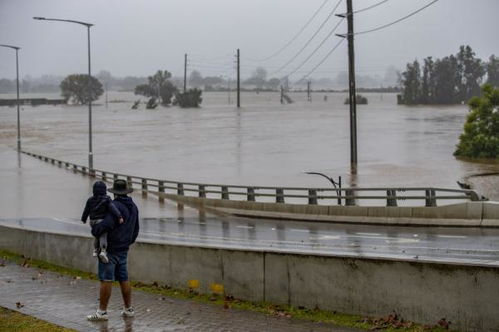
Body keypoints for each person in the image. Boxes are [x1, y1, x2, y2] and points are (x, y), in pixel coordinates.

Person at [86, 179, 140, 321]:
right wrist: (127, 242)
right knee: (124, 278)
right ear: (126, 192)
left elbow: (107, 225)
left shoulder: (114, 206)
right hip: (123, 248)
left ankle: (102, 312)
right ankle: (128, 309)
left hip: (110, 249)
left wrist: (95, 230)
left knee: (106, 279)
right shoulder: (134, 207)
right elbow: (136, 230)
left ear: (115, 193)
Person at [81, 181, 124, 263]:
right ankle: (103, 251)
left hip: (92, 221)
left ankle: (95, 250)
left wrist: (84, 219)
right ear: (104, 190)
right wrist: (119, 216)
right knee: (103, 235)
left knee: (97, 235)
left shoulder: (90, 200)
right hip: (101, 221)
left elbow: (86, 210)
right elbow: (113, 208)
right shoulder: (107, 199)